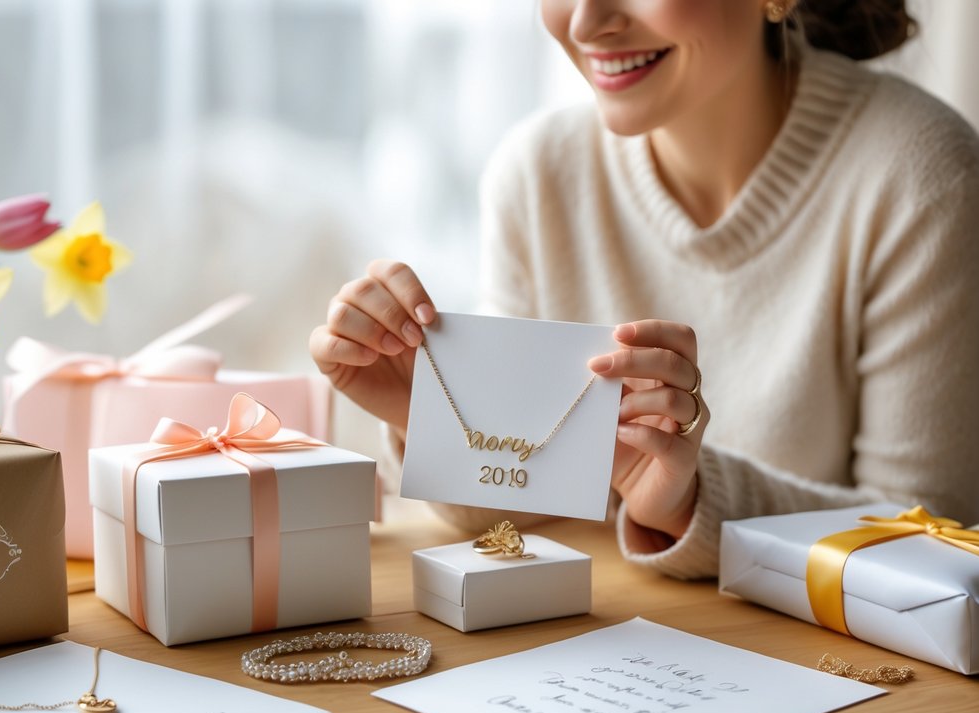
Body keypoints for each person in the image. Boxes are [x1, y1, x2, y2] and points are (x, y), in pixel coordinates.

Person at [309, 0, 979, 579]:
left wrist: (688, 499)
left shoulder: (921, 177)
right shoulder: (540, 173)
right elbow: (518, 508)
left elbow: (931, 534)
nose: (585, 22)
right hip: (614, 654)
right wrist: (433, 418)